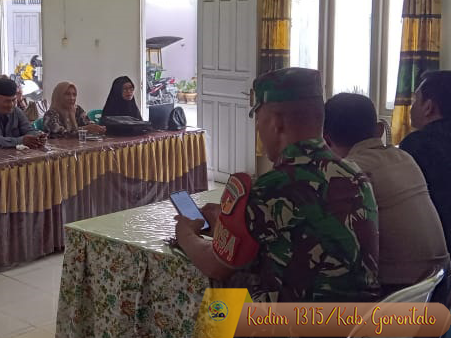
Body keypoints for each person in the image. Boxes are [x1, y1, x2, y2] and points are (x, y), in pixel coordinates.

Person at [174, 68, 380, 302]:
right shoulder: (356, 176)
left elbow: (215, 265)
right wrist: (228, 225)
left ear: (276, 123)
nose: (258, 129)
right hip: (359, 319)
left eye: (258, 119)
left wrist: (185, 233)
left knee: (213, 301)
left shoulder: (269, 189)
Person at [324, 93, 449, 294]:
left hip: (398, 291)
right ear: (379, 130)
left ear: (325, 139)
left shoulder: (350, 171)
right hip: (438, 283)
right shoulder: (404, 157)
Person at [400, 71, 451, 255]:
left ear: (428, 107)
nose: (411, 107)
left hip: (437, 248)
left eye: (415, 100)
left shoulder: (417, 144)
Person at [0, 78, 44, 149]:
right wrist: (20, 141)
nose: (11, 105)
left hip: (11, 155)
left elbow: (29, 130)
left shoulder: (17, 111)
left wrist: (36, 138)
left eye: (14, 100)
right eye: (7, 101)